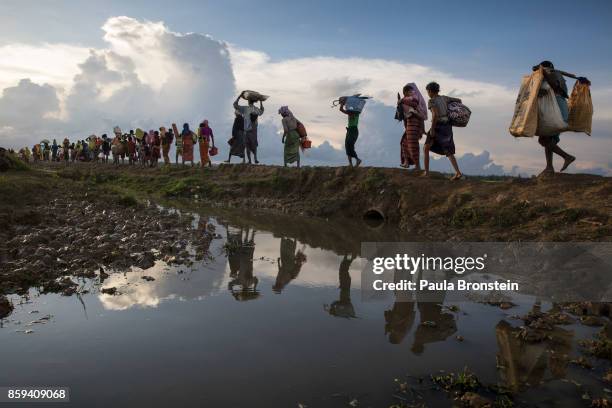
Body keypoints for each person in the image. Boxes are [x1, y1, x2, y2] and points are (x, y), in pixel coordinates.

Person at [533, 61, 589, 176]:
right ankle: (549, 167)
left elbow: (551, 88)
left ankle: (567, 157)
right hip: (559, 110)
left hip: (556, 111)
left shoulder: (551, 75)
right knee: (549, 139)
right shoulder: (556, 76)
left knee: (544, 139)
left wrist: (543, 75)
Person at [423, 82, 463, 180]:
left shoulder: (431, 101)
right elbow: (459, 100)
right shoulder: (445, 98)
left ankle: (426, 173)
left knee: (426, 147)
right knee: (448, 150)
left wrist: (432, 129)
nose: (428, 93)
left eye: (428, 91)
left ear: (430, 91)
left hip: (438, 126)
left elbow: (435, 115)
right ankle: (458, 173)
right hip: (447, 126)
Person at [399, 83, 427, 170]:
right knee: (404, 143)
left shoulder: (414, 100)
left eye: (412, 91)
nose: (412, 92)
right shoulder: (406, 100)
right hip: (409, 125)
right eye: (410, 91)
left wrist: (402, 101)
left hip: (414, 125)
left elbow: (415, 107)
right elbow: (404, 117)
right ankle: (407, 162)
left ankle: (417, 166)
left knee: (412, 145)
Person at [233, 91, 264, 164]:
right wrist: (261, 102)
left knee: (247, 145)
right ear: (254, 102)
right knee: (254, 144)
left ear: (248, 101)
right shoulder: (256, 109)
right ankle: (255, 158)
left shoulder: (245, 108)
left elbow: (235, 105)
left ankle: (249, 160)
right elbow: (262, 111)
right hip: (254, 130)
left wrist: (239, 97)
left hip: (247, 129)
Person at [339, 99, 362, 167]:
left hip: (353, 130)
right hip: (349, 131)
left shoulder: (356, 113)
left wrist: (344, 105)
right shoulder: (351, 112)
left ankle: (357, 160)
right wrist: (342, 104)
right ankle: (350, 164)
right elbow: (341, 109)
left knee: (350, 146)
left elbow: (350, 114)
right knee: (347, 146)